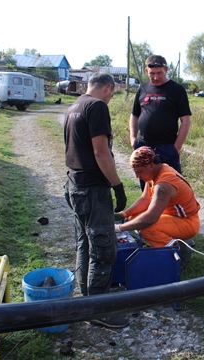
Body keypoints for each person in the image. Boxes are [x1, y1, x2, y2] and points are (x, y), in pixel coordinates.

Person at [63, 73, 129, 329]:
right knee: (103, 248)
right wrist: (118, 186)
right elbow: (100, 151)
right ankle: (98, 309)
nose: (111, 98)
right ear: (108, 89)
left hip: (74, 184)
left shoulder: (73, 106)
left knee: (84, 244)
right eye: (112, 94)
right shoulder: (97, 106)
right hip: (92, 188)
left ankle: (84, 302)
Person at [115, 146, 200, 266]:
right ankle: (170, 244)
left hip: (188, 222)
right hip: (174, 217)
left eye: (139, 171)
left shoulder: (164, 184)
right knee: (133, 218)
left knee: (146, 226)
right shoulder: (156, 171)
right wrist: (124, 214)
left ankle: (175, 254)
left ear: (150, 165)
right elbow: (144, 200)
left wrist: (119, 228)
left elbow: (151, 218)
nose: (137, 176)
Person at [129, 55, 192, 189]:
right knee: (147, 188)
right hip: (143, 146)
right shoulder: (142, 89)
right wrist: (133, 138)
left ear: (166, 70)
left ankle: (170, 211)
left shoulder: (177, 89)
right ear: (146, 71)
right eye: (152, 74)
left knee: (172, 187)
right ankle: (150, 209)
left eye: (159, 73)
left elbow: (185, 120)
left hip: (167, 147)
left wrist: (176, 148)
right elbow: (134, 115)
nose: (156, 77)